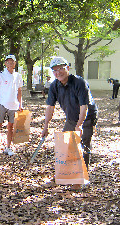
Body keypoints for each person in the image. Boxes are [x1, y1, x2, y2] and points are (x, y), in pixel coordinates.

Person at [41, 57, 98, 189]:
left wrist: (79, 125)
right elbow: (50, 107)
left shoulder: (79, 82)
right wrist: (45, 126)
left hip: (87, 117)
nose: (58, 72)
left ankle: (80, 179)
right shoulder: (54, 85)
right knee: (65, 145)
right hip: (72, 117)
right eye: (55, 70)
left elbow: (84, 107)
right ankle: (64, 174)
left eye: (61, 68)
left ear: (67, 68)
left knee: (82, 145)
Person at [0, 54, 23, 156]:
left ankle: (8, 147)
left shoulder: (18, 76)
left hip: (13, 106)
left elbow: (19, 91)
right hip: (2, 104)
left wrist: (20, 104)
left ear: (15, 63)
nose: (10, 63)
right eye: (8, 61)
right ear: (5, 63)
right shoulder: (1, 75)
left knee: (11, 127)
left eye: (12, 61)